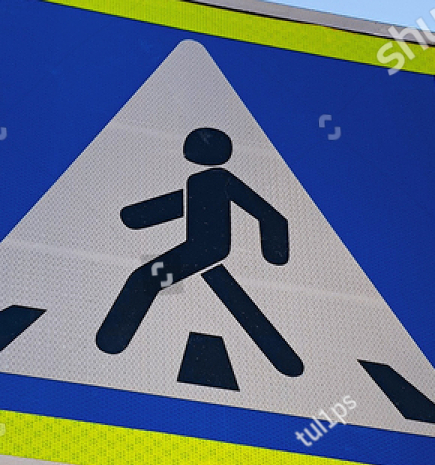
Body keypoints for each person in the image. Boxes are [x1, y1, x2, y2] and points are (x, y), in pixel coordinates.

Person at [95, 127, 303, 377]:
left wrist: (275, 250)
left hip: (204, 251)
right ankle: (286, 361)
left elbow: (266, 213)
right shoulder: (200, 181)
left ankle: (111, 340)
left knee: (145, 280)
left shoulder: (221, 179)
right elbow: (181, 204)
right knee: (236, 301)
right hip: (203, 251)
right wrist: (136, 216)